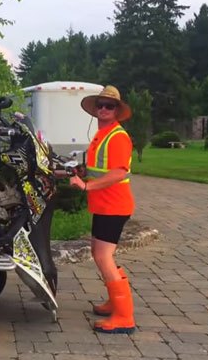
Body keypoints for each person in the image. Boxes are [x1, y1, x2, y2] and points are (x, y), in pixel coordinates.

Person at [72, 85, 136, 334]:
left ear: (117, 110)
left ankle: (124, 315)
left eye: (109, 106)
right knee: (99, 253)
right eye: (100, 105)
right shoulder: (102, 135)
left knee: (102, 256)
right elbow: (100, 168)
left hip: (114, 205)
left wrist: (87, 186)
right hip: (104, 205)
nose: (103, 109)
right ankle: (114, 303)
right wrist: (79, 173)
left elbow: (120, 172)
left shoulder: (118, 136)